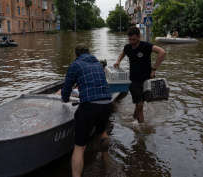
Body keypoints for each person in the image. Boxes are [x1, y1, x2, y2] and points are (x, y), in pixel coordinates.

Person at [61, 43, 113, 177]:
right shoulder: (98, 64)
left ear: (76, 55)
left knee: (80, 146)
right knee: (101, 132)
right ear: (89, 52)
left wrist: (65, 99)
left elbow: (66, 88)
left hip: (90, 106)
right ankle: (106, 162)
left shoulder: (75, 65)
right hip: (107, 103)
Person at [114, 26, 166, 123]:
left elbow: (162, 52)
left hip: (146, 80)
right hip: (134, 80)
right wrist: (118, 61)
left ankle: (134, 115)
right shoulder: (128, 47)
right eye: (130, 39)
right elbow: (123, 53)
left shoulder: (146, 46)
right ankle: (142, 130)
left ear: (139, 36)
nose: (132, 42)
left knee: (140, 103)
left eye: (134, 39)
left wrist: (154, 69)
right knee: (140, 105)